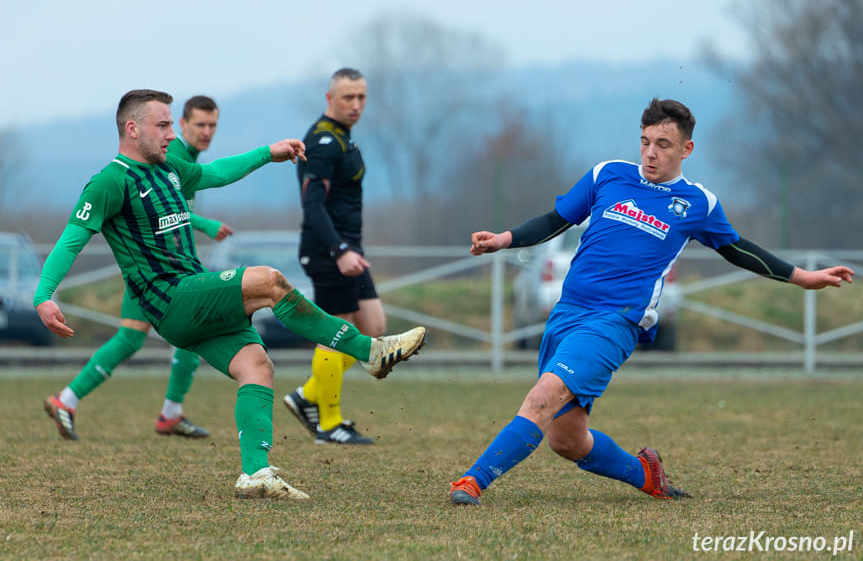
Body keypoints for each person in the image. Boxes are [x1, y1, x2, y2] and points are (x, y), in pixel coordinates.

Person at [448, 98, 854, 506]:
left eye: (662, 144)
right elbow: (556, 221)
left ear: (686, 149)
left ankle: (472, 481)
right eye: (645, 142)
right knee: (566, 439)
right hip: (567, 314)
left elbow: (738, 249)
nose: (650, 153)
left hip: (615, 322)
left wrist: (802, 277)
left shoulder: (698, 204)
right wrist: (504, 239)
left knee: (539, 400)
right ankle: (645, 474)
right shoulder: (607, 174)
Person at [34, 89, 426, 500]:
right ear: (132, 129)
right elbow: (71, 240)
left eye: (171, 124)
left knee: (257, 367)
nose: (172, 134)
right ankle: (370, 352)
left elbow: (218, 172)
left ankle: (254, 473)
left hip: (189, 301)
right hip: (170, 297)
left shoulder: (169, 169)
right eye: (163, 125)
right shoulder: (110, 180)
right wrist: (44, 295)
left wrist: (268, 153)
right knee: (269, 281)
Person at [43, 95, 233, 441]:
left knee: (135, 339)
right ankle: (165, 412)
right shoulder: (164, 158)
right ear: (185, 125)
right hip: (155, 275)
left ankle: (69, 400)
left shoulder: (174, 159)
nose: (206, 132)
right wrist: (204, 224)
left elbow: (197, 191)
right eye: (198, 125)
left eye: (213, 125)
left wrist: (268, 154)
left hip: (169, 270)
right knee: (168, 336)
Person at [282, 68, 386, 445]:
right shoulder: (324, 141)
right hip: (329, 251)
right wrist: (339, 250)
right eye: (348, 97)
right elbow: (312, 205)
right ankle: (329, 423)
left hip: (350, 251)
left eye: (361, 97)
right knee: (336, 333)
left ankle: (308, 394)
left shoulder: (344, 138)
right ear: (330, 99)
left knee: (371, 330)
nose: (356, 104)